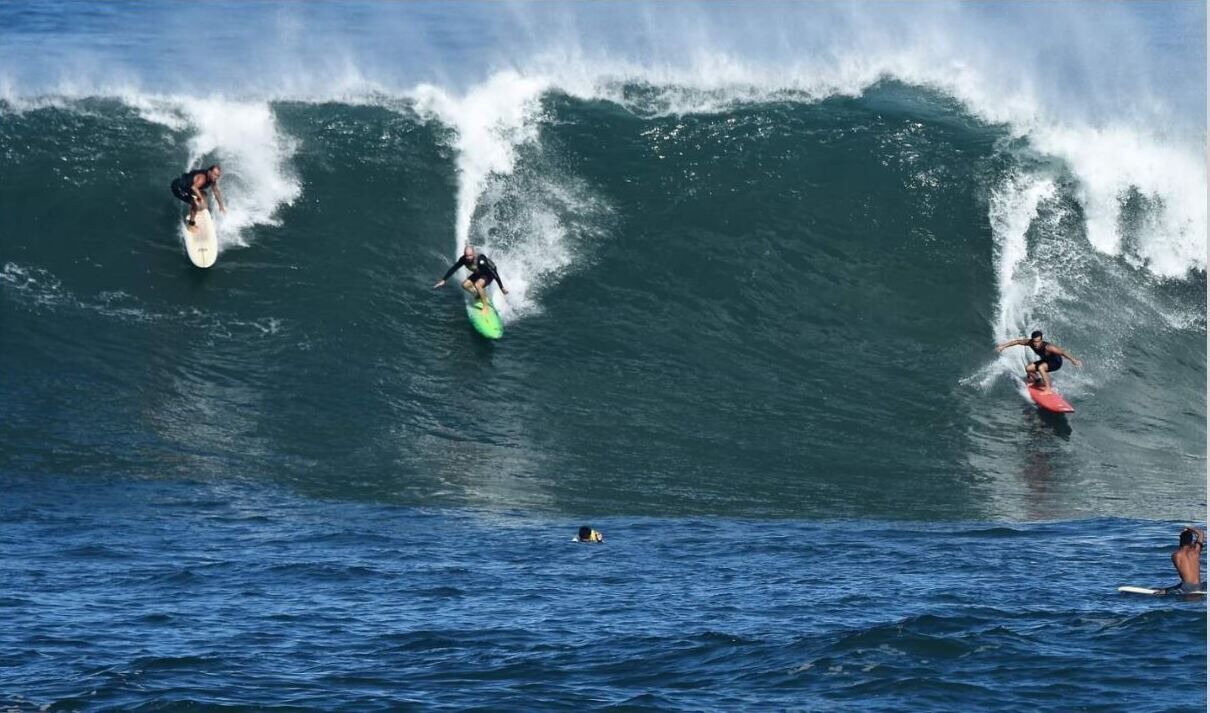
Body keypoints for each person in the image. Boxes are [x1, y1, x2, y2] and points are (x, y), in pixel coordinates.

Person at [995, 330, 1083, 391]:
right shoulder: (1030, 343)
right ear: (1032, 340)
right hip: (1046, 361)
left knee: (1041, 368)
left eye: (1038, 341)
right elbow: (1017, 341)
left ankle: (1048, 388)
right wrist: (1003, 346)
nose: (1036, 344)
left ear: (1041, 340)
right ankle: (1037, 380)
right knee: (1028, 368)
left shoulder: (1048, 347)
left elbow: (1062, 352)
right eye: (1034, 341)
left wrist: (1073, 360)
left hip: (1056, 363)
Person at [433, 244, 509, 314]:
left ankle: (485, 307)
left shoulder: (481, 260)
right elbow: (454, 268)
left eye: (470, 255)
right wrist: (444, 280)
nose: (468, 258)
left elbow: (493, 272)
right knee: (464, 285)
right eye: (466, 256)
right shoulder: (463, 259)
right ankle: (478, 295)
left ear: (473, 254)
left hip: (489, 274)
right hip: (479, 273)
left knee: (478, 285)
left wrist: (501, 287)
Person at [1162, 527, 1204, 594]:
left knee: (1165, 591)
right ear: (1191, 541)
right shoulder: (1196, 551)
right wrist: (1189, 528)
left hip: (1186, 587)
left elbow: (1184, 576)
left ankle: (1165, 591)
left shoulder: (1175, 555)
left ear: (1181, 540)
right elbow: (1201, 533)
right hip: (1199, 587)